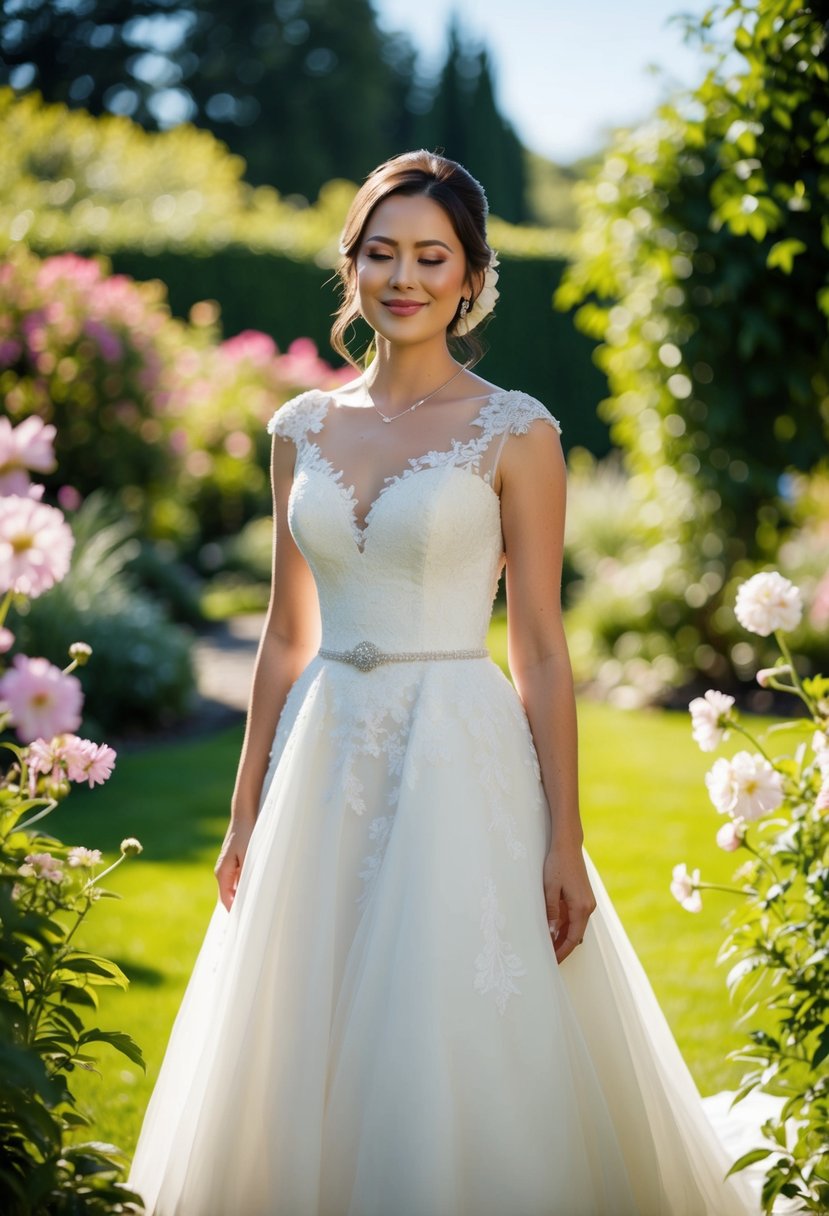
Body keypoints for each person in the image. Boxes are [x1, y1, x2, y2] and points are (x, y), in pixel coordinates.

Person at [127, 150, 757, 1215]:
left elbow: (544, 648)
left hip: (458, 750)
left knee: (447, 1016)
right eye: (382, 253)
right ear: (351, 267)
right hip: (323, 752)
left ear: (471, 279)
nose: (404, 278)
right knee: (303, 1028)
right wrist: (245, 810)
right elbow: (284, 635)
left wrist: (565, 835)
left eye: (431, 256)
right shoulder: (299, 430)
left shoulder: (518, 431)